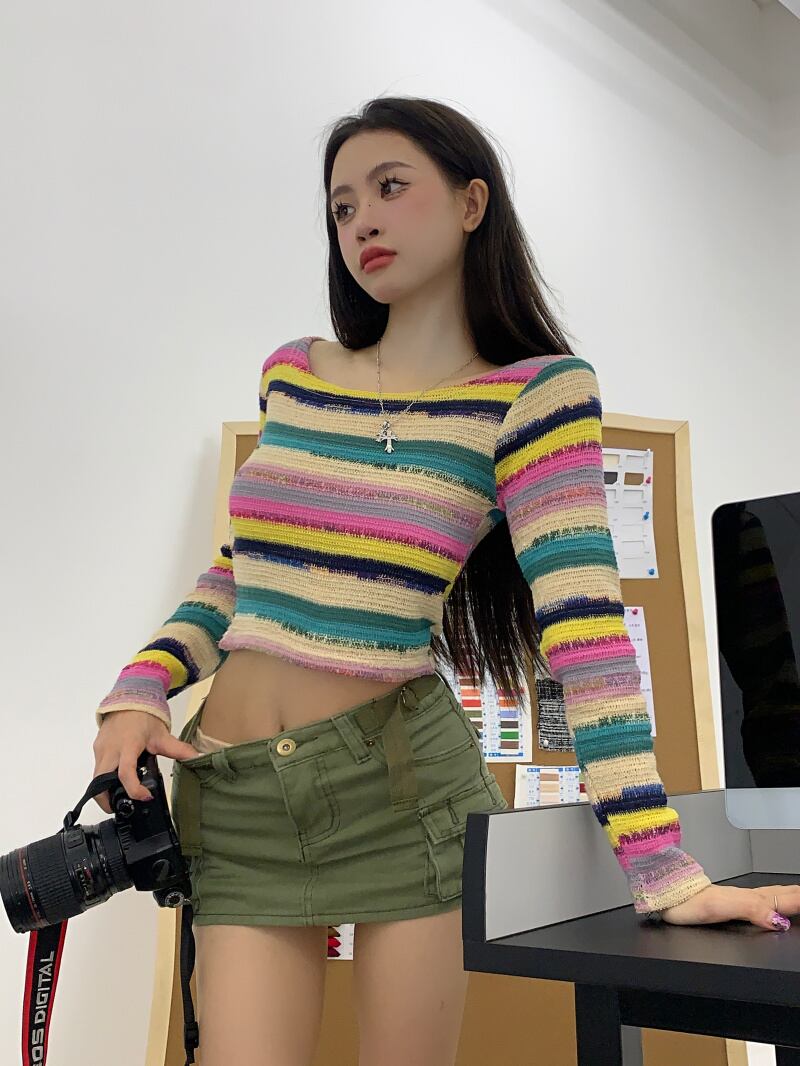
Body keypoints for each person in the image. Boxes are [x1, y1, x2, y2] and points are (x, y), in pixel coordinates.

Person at [90, 96, 798, 1066]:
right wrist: (136, 689)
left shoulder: (533, 393)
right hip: (236, 791)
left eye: (390, 187)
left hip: (399, 792)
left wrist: (663, 868)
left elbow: (584, 633)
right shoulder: (294, 373)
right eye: (341, 207)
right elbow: (241, 574)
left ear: (471, 203)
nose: (361, 222)